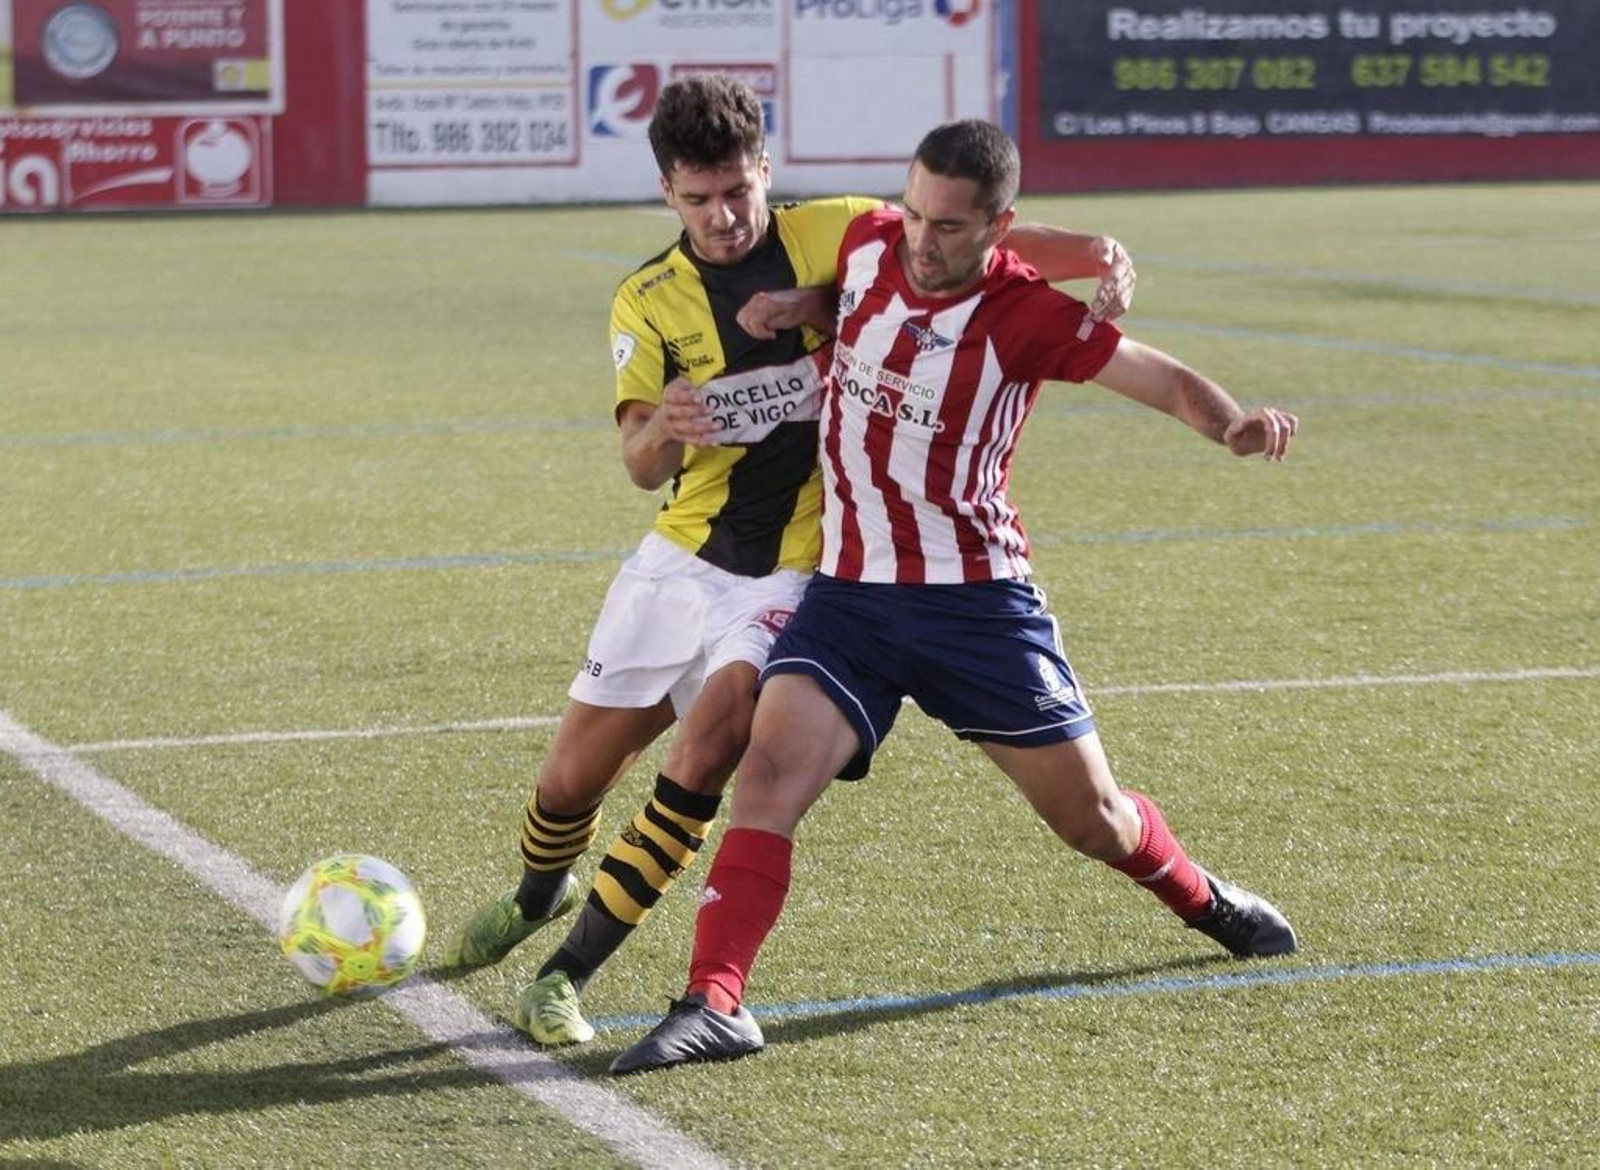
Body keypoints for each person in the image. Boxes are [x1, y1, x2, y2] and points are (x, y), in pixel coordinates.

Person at [442, 77, 1139, 1048]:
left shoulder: (839, 232)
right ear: (667, 196)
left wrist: (1094, 252)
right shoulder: (648, 299)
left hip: (801, 573)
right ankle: (535, 899)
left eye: (738, 192)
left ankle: (566, 974)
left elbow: (969, 236)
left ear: (764, 171)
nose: (723, 217)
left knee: (708, 748)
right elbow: (640, 463)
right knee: (569, 782)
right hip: (681, 559)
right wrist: (670, 431)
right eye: (698, 199)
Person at [609, 118, 1300, 1076]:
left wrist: (1232, 428)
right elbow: (849, 292)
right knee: (768, 778)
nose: (921, 240)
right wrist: (796, 303)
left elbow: (1164, 378)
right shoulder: (867, 245)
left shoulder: (1029, 316)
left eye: (949, 227)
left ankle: (1196, 894)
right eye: (915, 212)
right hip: (850, 600)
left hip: (976, 609)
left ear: (999, 227)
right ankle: (716, 1001)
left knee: (1091, 821)